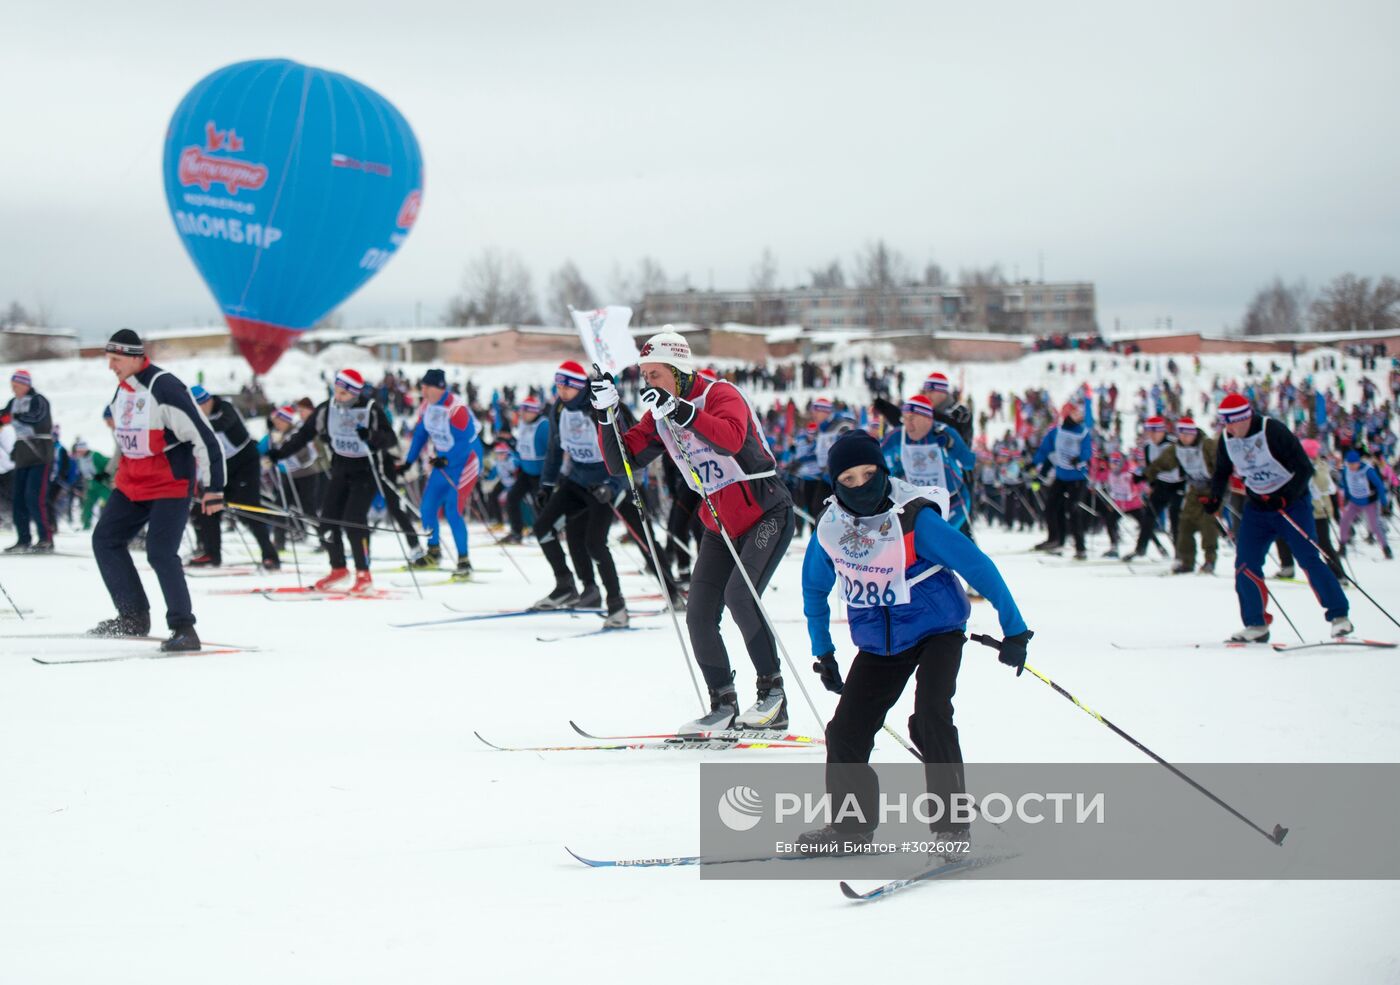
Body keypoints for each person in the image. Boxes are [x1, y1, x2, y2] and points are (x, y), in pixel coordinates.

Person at [795, 430, 1031, 854]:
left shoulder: (914, 518)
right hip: (881, 645)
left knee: (930, 717)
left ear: (883, 472)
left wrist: (1015, 630)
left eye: (869, 473)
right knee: (845, 730)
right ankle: (851, 829)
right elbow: (813, 589)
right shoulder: (830, 529)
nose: (861, 485)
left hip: (938, 630)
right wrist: (823, 652)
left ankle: (952, 829)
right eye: (848, 479)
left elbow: (978, 567)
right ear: (835, 485)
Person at [593, 329, 795, 733]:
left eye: (656, 375)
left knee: (741, 596)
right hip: (719, 524)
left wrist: (680, 410)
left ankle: (773, 696)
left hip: (766, 512)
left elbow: (731, 439)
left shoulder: (721, 395)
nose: (648, 384)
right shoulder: (659, 416)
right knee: (699, 613)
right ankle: (722, 703)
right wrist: (605, 415)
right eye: (645, 376)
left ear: (679, 372)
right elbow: (623, 462)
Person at [90, 330, 226, 650]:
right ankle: (133, 617)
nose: (110, 365)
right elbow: (127, 441)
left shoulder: (164, 387)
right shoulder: (122, 390)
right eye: (109, 359)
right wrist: (116, 473)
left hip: (169, 483)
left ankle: (184, 629)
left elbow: (205, 438)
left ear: (136, 357)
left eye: (116, 359)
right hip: (131, 485)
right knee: (105, 540)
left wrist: (214, 487)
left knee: (160, 552)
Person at [1202, 393, 1351, 642]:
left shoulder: (1272, 431)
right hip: (1258, 507)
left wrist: (1285, 496)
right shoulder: (1227, 440)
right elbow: (1222, 471)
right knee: (1245, 563)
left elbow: (1305, 468)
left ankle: (1339, 616)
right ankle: (1255, 624)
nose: (1228, 428)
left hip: (1291, 504)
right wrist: (1215, 498)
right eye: (1224, 423)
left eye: (1232, 422)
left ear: (1245, 417)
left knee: (1308, 558)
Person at [268, 369, 397, 594]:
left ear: (355, 393)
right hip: (340, 468)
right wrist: (280, 454)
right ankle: (338, 568)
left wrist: (372, 437)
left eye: (343, 394)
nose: (338, 397)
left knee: (353, 521)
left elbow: (390, 439)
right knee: (327, 521)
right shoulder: (327, 409)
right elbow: (304, 435)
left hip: (365, 470)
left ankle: (363, 573)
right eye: (336, 391)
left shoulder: (370, 409)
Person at [531, 360, 628, 624]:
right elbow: (554, 450)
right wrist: (546, 485)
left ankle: (617, 604)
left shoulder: (599, 408)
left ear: (579, 386)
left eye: (567, 386)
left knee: (595, 543)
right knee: (543, 528)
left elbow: (627, 454)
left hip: (605, 482)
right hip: (576, 479)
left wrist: (612, 486)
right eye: (559, 385)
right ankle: (568, 586)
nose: (561, 391)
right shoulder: (559, 409)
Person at [399, 368, 484, 578]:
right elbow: (420, 434)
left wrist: (447, 459)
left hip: (466, 463)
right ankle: (433, 552)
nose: (423, 390)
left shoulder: (457, 409)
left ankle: (464, 561)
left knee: (453, 509)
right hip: (444, 462)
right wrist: (408, 462)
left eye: (427, 387)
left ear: (439, 387)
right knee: (427, 506)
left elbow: (465, 443)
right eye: (422, 386)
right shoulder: (427, 406)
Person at [188, 386, 280, 569]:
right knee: (207, 506)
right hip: (221, 466)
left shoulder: (226, 408)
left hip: (245, 463)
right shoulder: (198, 418)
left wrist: (194, 426)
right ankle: (211, 554)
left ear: (207, 401)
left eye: (199, 408)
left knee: (249, 509)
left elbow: (222, 424)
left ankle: (270, 555)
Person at [880, 393, 976, 535]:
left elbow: (969, 463)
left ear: (927, 419)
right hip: (920, 505)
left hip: (953, 501)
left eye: (912, 418)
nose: (908, 424)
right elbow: (876, 455)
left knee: (939, 539)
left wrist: (952, 444)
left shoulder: (944, 433)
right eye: (905, 418)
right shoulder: (898, 435)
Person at [1143, 416, 1218, 573]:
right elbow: (1162, 463)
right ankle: (1186, 561)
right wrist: (1147, 476)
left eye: (1187, 434)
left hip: (1212, 489)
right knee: (1185, 523)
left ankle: (1210, 560)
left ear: (1193, 433)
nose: (1184, 437)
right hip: (1194, 489)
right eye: (1181, 434)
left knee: (1207, 522)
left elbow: (1221, 466)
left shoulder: (1207, 445)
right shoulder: (1177, 448)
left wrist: (1218, 490)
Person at [1031, 398, 1093, 559]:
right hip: (1061, 476)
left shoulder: (1083, 433)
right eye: (1075, 412)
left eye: (1080, 414)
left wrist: (1079, 459)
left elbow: (1087, 451)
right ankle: (1055, 539)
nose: (1078, 416)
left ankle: (1081, 547)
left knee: (1073, 509)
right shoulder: (1056, 432)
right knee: (1051, 507)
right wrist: (1033, 463)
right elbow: (1045, 450)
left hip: (1078, 478)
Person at [1, 368, 55, 552]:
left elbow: (37, 417)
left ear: (26, 384)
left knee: (34, 497)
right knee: (18, 499)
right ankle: (23, 539)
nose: (14, 389)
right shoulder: (13, 402)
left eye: (17, 386)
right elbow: (3, 415)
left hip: (40, 454)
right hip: (23, 455)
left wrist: (14, 417)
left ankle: (45, 539)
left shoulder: (38, 400)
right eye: (12, 386)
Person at [502, 395, 549, 544]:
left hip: (541, 473)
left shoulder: (544, 426)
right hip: (526, 472)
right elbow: (521, 448)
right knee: (512, 498)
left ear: (534, 411)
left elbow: (552, 450)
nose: (521, 414)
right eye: (521, 411)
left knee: (541, 504)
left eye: (524, 411)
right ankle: (517, 532)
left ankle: (548, 533)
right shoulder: (523, 424)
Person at [1338, 450, 1391, 559]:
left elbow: (1379, 485)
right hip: (1354, 502)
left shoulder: (1368, 470)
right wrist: (1347, 498)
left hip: (1369, 502)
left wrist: (1384, 503)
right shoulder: (1346, 471)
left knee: (1374, 526)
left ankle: (1386, 548)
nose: (1352, 466)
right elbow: (1347, 485)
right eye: (1349, 464)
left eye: (1354, 464)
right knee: (1344, 521)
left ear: (1358, 462)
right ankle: (1342, 546)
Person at [1142, 416, 1185, 541]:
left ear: (1162, 431)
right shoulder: (1148, 447)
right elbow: (1150, 468)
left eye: (1156, 432)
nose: (1153, 436)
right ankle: (1140, 548)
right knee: (1149, 514)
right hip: (1161, 484)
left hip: (1177, 483)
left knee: (1175, 516)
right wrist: (1151, 485)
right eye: (1150, 432)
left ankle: (1179, 551)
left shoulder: (1173, 444)